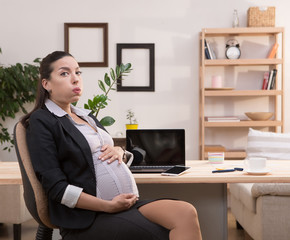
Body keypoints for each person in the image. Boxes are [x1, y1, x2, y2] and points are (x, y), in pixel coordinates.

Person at [21, 51, 202, 240]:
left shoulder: (85, 116)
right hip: (89, 218)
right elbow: (57, 189)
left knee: (186, 212)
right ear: (46, 84)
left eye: (78, 72)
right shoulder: (42, 120)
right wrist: (107, 205)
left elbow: (109, 156)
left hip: (124, 206)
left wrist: (120, 151)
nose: (75, 79)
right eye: (64, 73)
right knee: (166, 230)